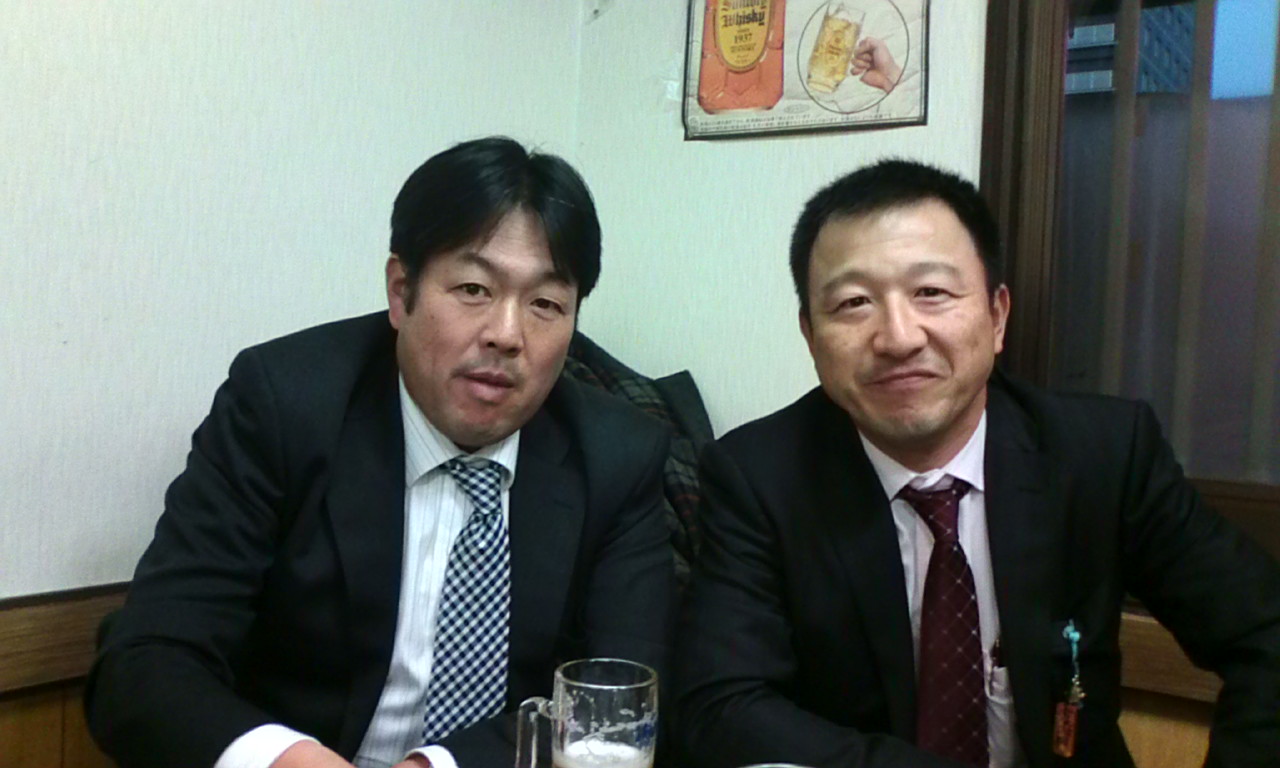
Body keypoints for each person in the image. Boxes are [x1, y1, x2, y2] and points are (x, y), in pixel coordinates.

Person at [86, 137, 674, 768]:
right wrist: (284, 759)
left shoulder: (616, 455)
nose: (507, 335)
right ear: (400, 291)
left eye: (546, 305)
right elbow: (147, 663)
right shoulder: (284, 408)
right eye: (474, 288)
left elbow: (619, 704)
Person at [676, 159, 1280, 767]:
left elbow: (1265, 631)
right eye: (854, 302)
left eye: (931, 292)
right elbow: (720, 705)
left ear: (996, 316)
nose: (899, 337)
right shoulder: (758, 476)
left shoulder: (1104, 453)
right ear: (811, 337)